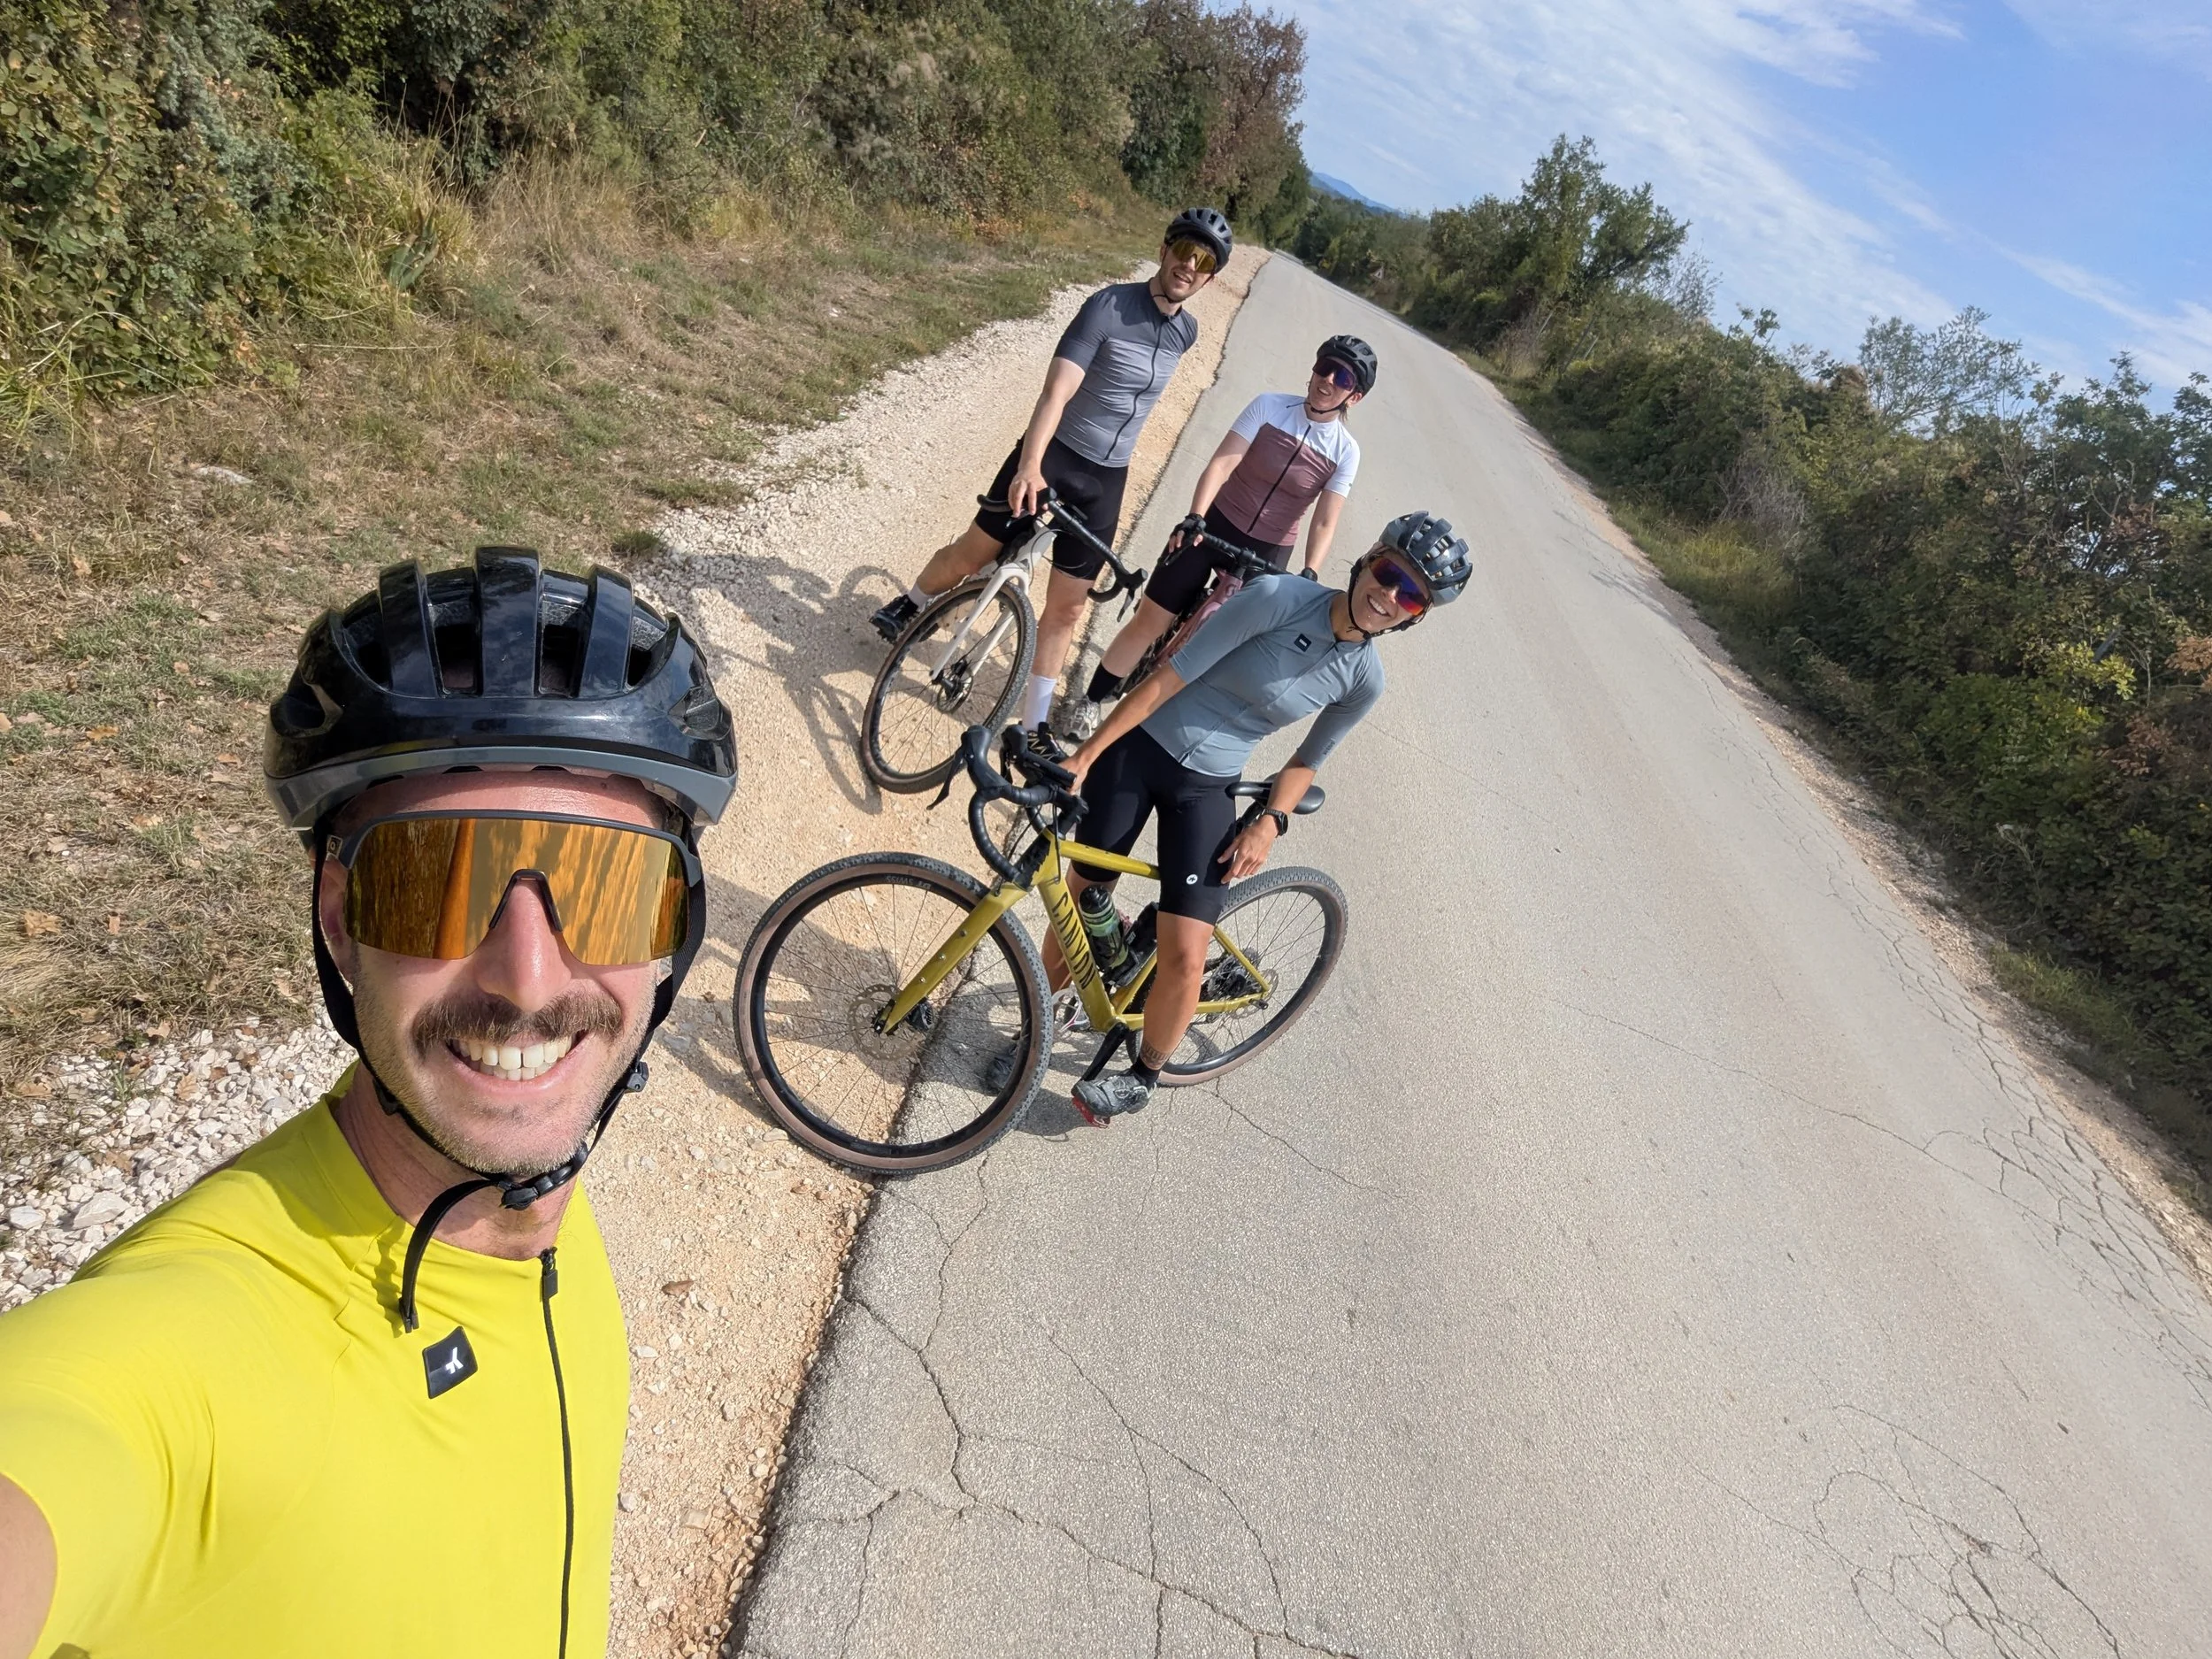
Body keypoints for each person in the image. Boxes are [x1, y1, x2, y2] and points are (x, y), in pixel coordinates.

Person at [0, 549, 737, 1659]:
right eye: (430, 882)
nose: (528, 982)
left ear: (675, 929)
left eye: (603, 890)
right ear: (340, 921)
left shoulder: (535, 1222)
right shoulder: (184, 1350)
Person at [1056, 511, 1472, 1122]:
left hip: (1207, 786)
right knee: (1079, 892)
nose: (1389, 596)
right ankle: (1033, 1027)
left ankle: (1143, 1075)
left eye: (1410, 595)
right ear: (1369, 560)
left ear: (1417, 616)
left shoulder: (1364, 680)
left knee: (1186, 954)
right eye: (1389, 575)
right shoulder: (1279, 596)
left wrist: (1270, 821)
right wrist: (1085, 756)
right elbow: (1171, 676)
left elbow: (1308, 759)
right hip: (1140, 747)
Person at [868, 207, 1234, 741]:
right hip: (1057, 454)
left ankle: (1035, 724)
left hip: (1107, 481)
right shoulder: (1107, 307)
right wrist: (1031, 466)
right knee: (977, 552)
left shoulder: (1187, 334)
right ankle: (914, 603)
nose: (1189, 266)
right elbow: (1056, 392)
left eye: (1203, 262)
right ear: (1163, 250)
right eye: (1183, 250)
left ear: (1211, 278)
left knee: (1066, 611)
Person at [1064, 335, 1379, 741]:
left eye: (1343, 377)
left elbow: (1323, 522)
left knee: (1223, 651)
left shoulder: (1345, 451)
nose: (1328, 380)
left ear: (1354, 396)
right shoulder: (1269, 405)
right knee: (1151, 620)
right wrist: (1196, 515)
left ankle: (1156, 727)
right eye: (1324, 367)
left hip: (1270, 549)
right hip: (1216, 524)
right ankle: (1090, 701)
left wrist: (1310, 571)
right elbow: (1221, 463)